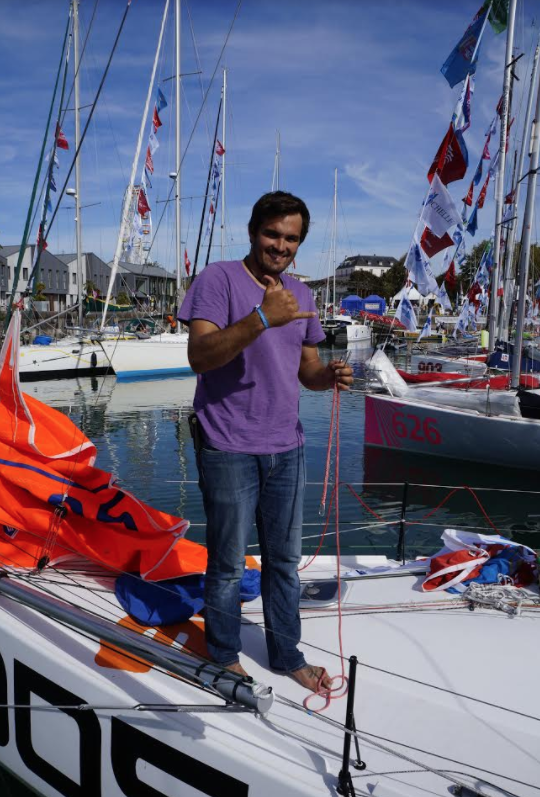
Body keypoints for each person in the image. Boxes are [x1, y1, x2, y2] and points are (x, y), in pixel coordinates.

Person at [179, 191, 353, 692]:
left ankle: (287, 654)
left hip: (287, 448)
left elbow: (307, 371)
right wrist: (260, 318)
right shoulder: (218, 279)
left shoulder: (302, 293)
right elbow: (200, 356)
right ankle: (223, 653)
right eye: (273, 234)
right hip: (227, 443)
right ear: (255, 231)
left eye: (291, 238)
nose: (281, 246)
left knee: (283, 562)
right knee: (229, 562)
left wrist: (329, 377)